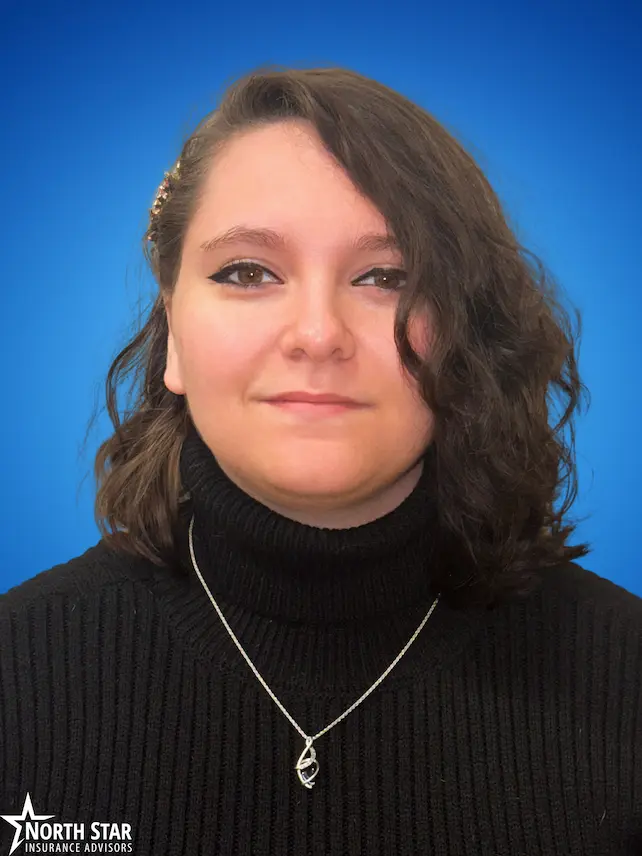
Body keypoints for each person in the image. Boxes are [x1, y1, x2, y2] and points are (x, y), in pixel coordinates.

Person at [1, 65, 640, 856]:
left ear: (468, 332)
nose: (317, 333)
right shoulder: (15, 668)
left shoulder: (626, 681)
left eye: (385, 277)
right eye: (247, 272)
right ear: (171, 332)